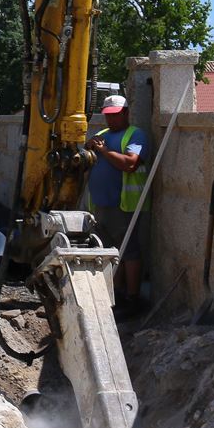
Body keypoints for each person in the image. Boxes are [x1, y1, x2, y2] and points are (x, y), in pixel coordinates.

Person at [87, 94, 150, 311]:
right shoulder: (101, 135)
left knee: (128, 251)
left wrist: (103, 151)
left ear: (126, 113)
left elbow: (130, 164)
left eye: (115, 115)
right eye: (108, 115)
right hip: (100, 205)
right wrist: (88, 147)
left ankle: (132, 298)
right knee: (109, 252)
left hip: (123, 205)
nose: (111, 119)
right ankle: (116, 295)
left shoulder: (136, 135)